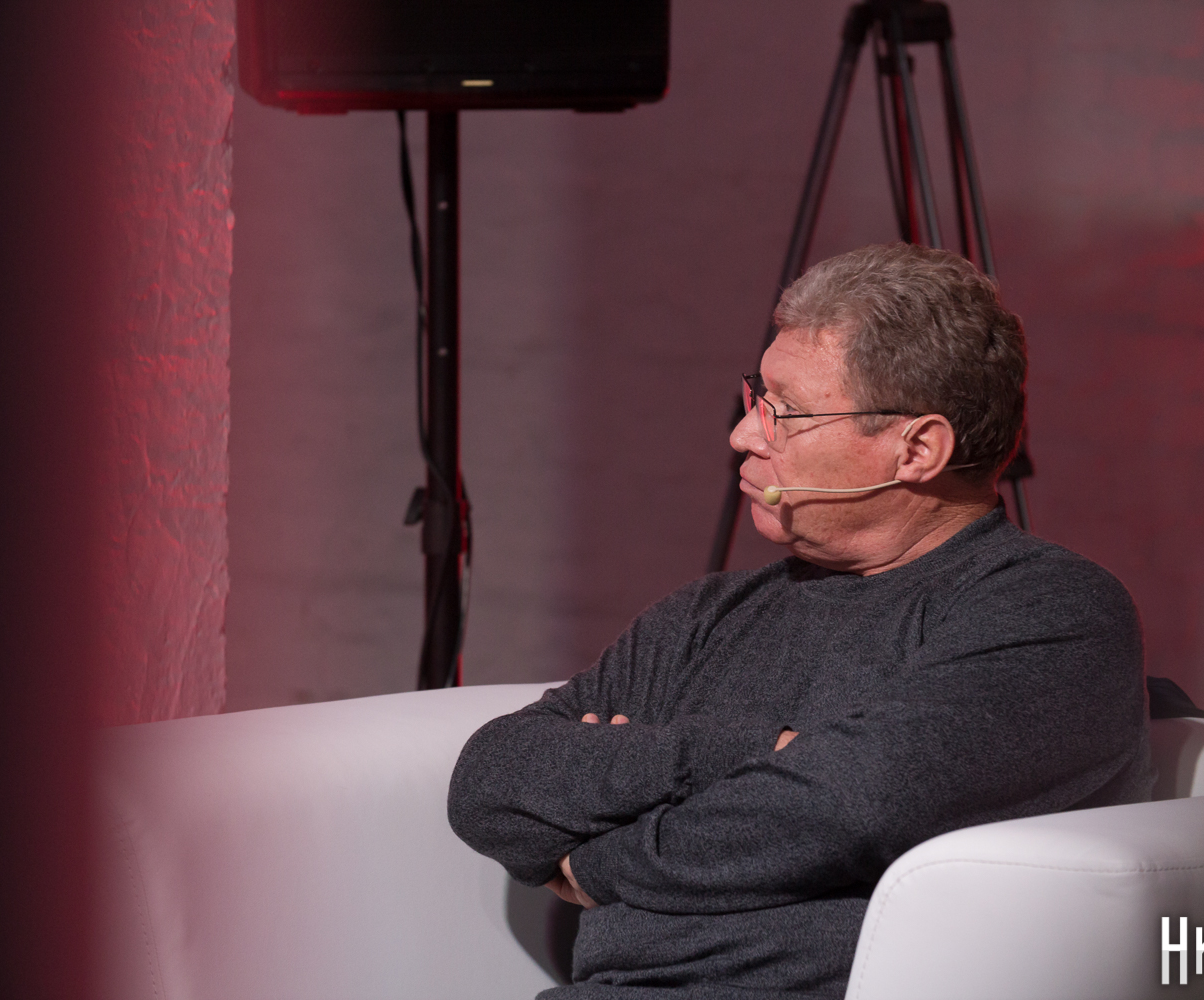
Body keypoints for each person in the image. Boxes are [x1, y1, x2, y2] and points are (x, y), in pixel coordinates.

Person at [448, 243, 1153, 1000]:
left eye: (785, 411)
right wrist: (744, 752)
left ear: (916, 449)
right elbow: (489, 781)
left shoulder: (1049, 610)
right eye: (756, 397)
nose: (745, 435)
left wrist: (596, 861)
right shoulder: (707, 614)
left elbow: (844, 809)